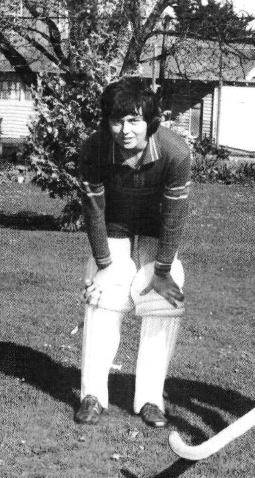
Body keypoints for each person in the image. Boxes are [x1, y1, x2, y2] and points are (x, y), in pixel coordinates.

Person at [75, 78, 192, 428]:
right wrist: (104, 266)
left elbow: (174, 216)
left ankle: (151, 399)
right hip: (114, 225)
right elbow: (94, 210)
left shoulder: (175, 152)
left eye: (134, 121)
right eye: (116, 121)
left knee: (165, 298)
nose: (125, 131)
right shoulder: (94, 149)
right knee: (103, 294)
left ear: (150, 121)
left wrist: (163, 271)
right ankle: (92, 396)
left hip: (156, 227)